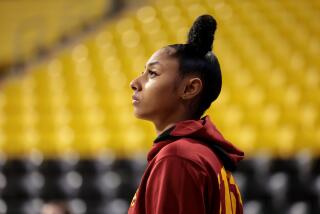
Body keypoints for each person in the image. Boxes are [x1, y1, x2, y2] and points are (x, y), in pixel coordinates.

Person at [128, 14, 244, 214]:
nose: (135, 83)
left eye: (152, 73)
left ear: (190, 88)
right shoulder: (203, 155)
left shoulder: (177, 158)